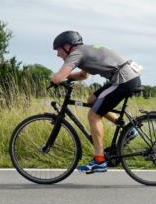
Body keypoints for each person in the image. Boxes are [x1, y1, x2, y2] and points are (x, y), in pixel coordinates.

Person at [49, 30, 143, 174]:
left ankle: (99, 161)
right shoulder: (85, 51)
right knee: (92, 100)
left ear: (67, 46)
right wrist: (69, 79)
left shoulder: (76, 53)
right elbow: (83, 75)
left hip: (122, 79)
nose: (58, 54)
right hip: (126, 76)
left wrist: (54, 78)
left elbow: (57, 78)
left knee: (93, 116)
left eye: (58, 50)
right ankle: (128, 129)